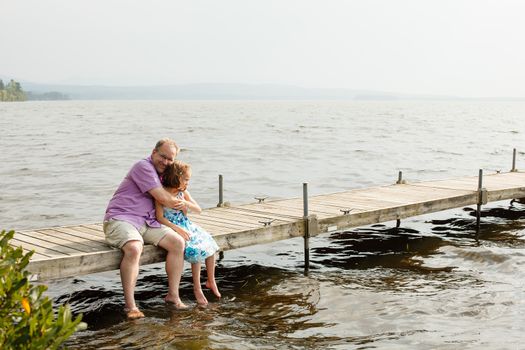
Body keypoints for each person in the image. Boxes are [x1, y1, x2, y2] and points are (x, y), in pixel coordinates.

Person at [103, 138, 189, 320]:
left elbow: (179, 190)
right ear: (153, 152)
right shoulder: (143, 167)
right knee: (135, 247)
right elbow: (164, 198)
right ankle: (130, 306)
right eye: (162, 157)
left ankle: (173, 296)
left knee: (178, 242)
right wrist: (181, 202)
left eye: (170, 159)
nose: (165, 162)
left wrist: (184, 203)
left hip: (148, 221)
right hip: (121, 218)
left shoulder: (165, 173)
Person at [155, 160, 221, 306]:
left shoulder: (182, 192)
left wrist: (186, 204)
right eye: (186, 179)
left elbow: (198, 209)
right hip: (172, 227)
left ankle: (211, 280)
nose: (187, 182)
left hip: (186, 224)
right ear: (176, 177)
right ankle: (197, 288)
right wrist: (177, 229)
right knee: (195, 247)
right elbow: (159, 218)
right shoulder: (161, 193)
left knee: (209, 242)